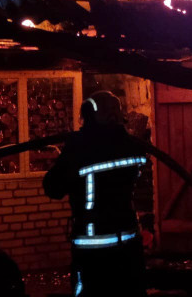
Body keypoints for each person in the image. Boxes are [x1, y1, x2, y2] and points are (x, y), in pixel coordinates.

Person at [43, 91, 147, 297]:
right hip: (129, 244)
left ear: (89, 116)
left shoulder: (79, 150)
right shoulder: (133, 146)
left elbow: (53, 188)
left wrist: (69, 153)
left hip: (93, 249)